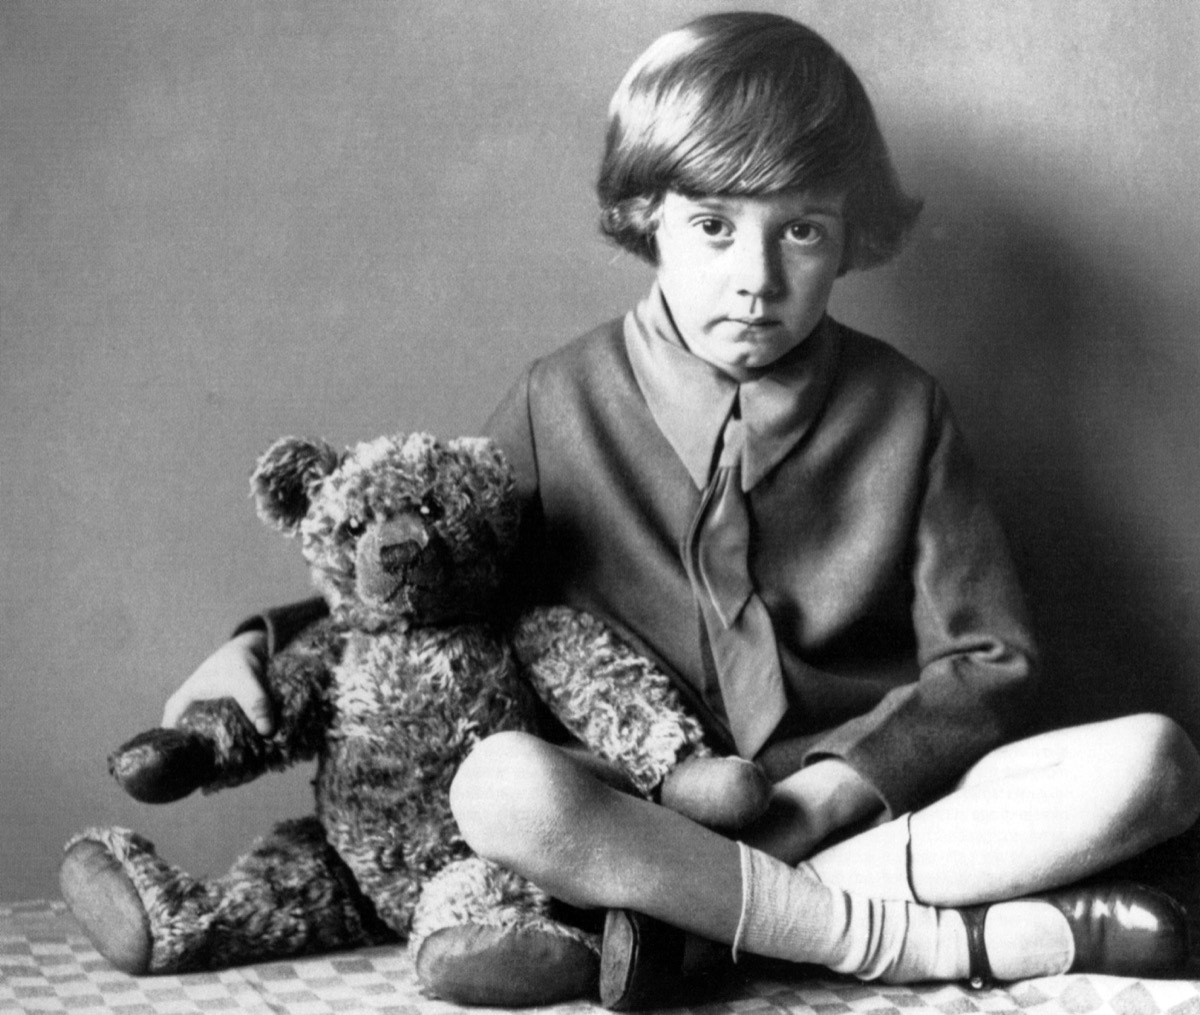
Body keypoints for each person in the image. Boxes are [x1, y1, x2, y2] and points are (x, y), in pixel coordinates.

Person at [164, 11, 1200, 1008]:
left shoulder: (903, 408)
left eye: (800, 229)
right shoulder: (556, 398)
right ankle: (899, 937)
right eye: (713, 226)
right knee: (500, 786)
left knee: (1155, 762)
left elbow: (987, 660)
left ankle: (706, 922)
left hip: (864, 804)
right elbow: (436, 583)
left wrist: (831, 794)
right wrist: (254, 648)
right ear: (646, 218)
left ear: (848, 239)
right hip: (642, 812)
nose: (756, 279)